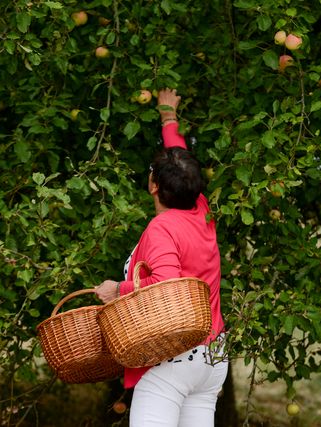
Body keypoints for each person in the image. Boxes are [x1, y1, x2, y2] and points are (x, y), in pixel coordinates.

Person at [95, 88, 227, 427]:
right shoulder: (201, 210)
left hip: (175, 356)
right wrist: (169, 116)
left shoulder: (162, 228)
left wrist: (117, 290)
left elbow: (166, 284)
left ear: (154, 186)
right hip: (212, 354)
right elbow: (179, 159)